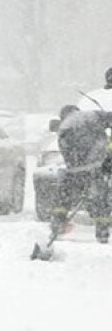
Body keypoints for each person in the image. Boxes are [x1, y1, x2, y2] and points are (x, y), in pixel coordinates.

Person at [51, 104, 112, 243]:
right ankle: (102, 232)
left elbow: (66, 151)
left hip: (74, 168)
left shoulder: (64, 127)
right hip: (96, 165)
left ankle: (57, 226)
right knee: (101, 198)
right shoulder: (92, 115)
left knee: (64, 196)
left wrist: (77, 169)